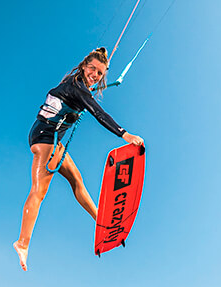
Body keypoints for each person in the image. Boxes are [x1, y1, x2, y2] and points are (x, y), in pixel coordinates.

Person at [14, 47, 145, 271]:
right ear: (84, 66)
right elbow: (99, 113)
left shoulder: (78, 85)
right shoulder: (77, 88)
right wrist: (126, 135)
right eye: (92, 69)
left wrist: (92, 86)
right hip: (45, 138)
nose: (94, 74)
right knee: (39, 191)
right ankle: (22, 243)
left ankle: (101, 222)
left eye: (100, 73)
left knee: (77, 181)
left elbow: (85, 97)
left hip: (54, 141)